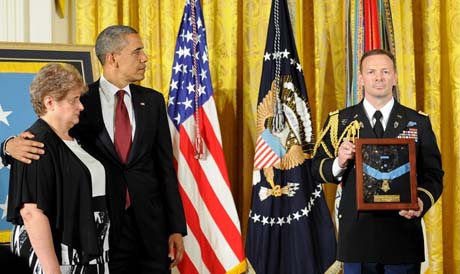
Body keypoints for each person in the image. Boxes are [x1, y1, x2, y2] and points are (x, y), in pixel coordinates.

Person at [2, 25, 187, 274]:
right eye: (137, 51)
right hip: (101, 235)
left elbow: (164, 168)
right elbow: (46, 136)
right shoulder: (80, 101)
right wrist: (7, 146)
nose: (144, 58)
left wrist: (176, 227)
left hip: (150, 229)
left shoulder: (152, 101)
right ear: (113, 58)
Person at [312, 49, 443, 274]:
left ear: (395, 77)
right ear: (361, 78)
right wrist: (340, 161)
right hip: (357, 238)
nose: (379, 77)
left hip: (402, 235)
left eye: (385, 71)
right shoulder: (340, 122)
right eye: (371, 72)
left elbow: (433, 174)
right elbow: (316, 170)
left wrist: (420, 201)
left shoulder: (417, 122)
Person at [6, 63, 110, 274]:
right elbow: (31, 214)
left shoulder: (76, 138)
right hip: (60, 258)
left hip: (88, 252)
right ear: (50, 102)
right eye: (74, 100)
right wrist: (52, 270)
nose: (81, 106)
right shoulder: (35, 145)